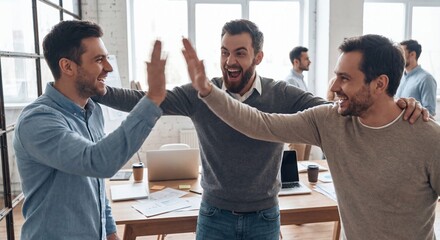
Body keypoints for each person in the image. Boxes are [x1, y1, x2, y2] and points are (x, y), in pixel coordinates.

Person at [95, 20, 427, 239]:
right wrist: (100, 89)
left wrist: (400, 105)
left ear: (258, 56)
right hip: (214, 214)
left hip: (264, 217)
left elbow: (340, 110)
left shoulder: (282, 94)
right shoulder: (198, 93)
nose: (230, 61)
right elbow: (144, 99)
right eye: (224, 52)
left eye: (240, 52)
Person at [183, 34, 440, 239]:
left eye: (345, 78)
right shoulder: (330, 121)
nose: (334, 86)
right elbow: (258, 123)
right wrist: (207, 90)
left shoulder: (428, 138)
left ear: (380, 84)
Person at [13, 20, 166, 240]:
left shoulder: (93, 111)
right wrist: (152, 100)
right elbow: (97, 162)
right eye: (98, 60)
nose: (109, 68)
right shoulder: (37, 120)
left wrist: (110, 232)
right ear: (67, 66)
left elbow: (95, 185)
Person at [396, 39, 437, 115]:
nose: (398, 57)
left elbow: (430, 111)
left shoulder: (426, 79)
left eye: (401, 53)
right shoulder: (400, 77)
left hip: (412, 126)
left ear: (412, 54)